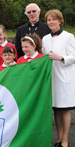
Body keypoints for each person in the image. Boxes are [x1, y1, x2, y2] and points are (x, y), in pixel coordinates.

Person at [42, 9, 75, 147]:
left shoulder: (69, 37)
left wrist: (60, 58)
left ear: (60, 21)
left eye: (53, 19)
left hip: (65, 78)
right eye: (49, 20)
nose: (51, 22)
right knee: (56, 108)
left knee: (65, 109)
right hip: (52, 78)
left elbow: (74, 57)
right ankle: (59, 137)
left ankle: (66, 140)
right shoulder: (45, 39)